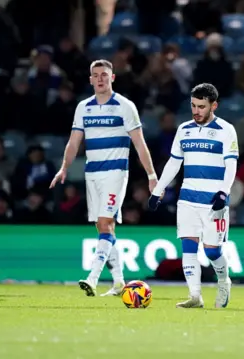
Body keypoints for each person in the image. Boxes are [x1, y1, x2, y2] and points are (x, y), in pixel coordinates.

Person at [50, 59, 158, 297]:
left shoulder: (124, 106)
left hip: (115, 172)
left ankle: (93, 277)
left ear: (112, 78)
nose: (100, 78)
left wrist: (151, 175)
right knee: (103, 227)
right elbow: (74, 142)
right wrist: (64, 167)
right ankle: (119, 282)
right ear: (90, 79)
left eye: (104, 74)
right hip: (93, 173)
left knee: (106, 222)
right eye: (95, 75)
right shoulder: (83, 107)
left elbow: (140, 143)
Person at [147, 83, 239, 308]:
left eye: (201, 106)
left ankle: (223, 281)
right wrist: (158, 190)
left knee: (211, 251)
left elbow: (231, 165)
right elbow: (174, 163)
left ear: (213, 106)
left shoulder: (226, 130)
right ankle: (195, 296)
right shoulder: (184, 129)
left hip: (213, 201)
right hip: (187, 198)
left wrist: (223, 192)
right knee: (188, 246)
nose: (196, 111)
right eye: (193, 106)